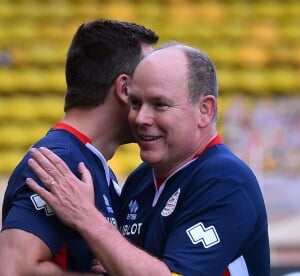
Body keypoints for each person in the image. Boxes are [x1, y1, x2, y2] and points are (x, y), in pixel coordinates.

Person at [25, 43, 270, 276]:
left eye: (159, 104)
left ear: (204, 110)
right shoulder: (139, 181)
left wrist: (86, 217)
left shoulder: (225, 181)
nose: (141, 118)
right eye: (135, 103)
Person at [0, 19, 158, 275]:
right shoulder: (60, 161)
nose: (157, 99)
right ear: (125, 89)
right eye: (150, 86)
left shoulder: (86, 159)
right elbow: (14, 268)